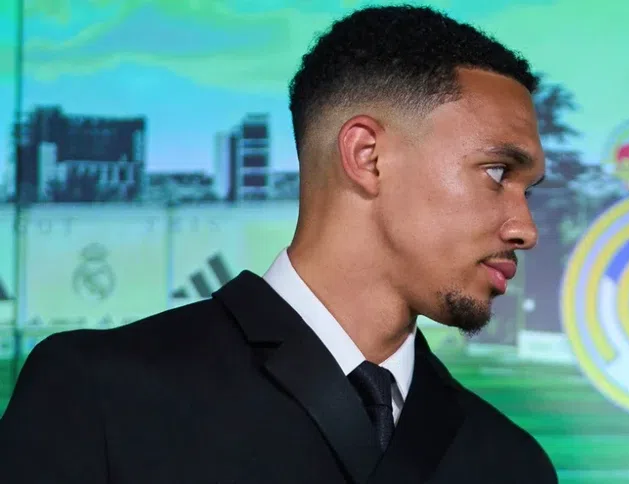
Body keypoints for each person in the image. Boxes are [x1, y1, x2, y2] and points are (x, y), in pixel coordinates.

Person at [0, 5, 555, 483]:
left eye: (528, 189)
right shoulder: (97, 395)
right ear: (368, 157)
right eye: (497, 172)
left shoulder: (513, 463)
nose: (525, 228)